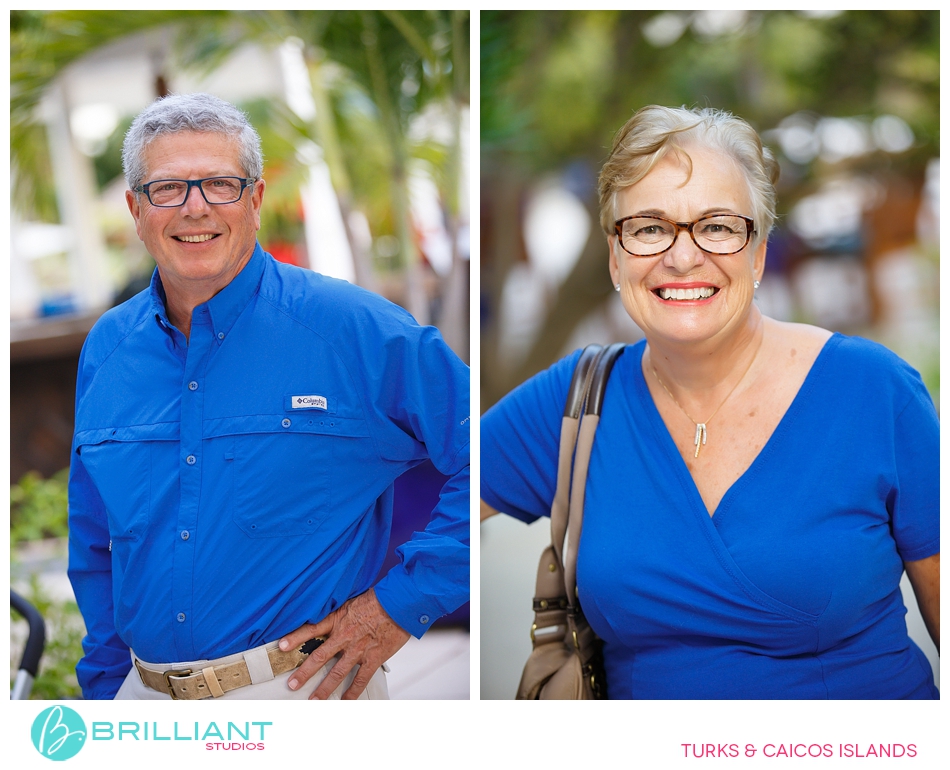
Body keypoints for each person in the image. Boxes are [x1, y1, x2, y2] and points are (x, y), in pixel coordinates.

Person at [481, 105, 939, 699]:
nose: (682, 255)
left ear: (758, 251)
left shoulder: (874, 391)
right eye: (649, 227)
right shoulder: (576, 399)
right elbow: (429, 499)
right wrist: (393, 609)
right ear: (616, 257)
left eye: (717, 226)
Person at [67, 92, 470, 700]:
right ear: (135, 208)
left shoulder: (352, 329)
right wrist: (102, 695)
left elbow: (490, 455)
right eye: (168, 189)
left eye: (220, 185)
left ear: (255, 201)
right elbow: (94, 538)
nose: (195, 208)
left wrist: (397, 606)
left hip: (302, 691)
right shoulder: (108, 348)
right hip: (143, 698)